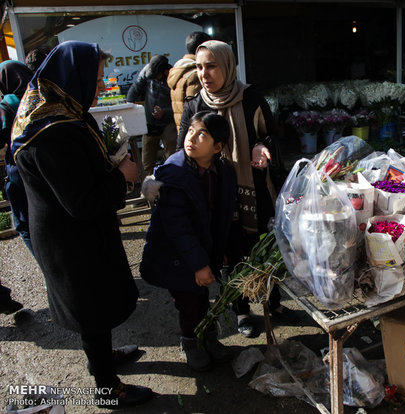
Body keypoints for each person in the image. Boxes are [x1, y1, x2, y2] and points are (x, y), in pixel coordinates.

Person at [12, 41, 153, 408]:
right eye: (95, 78)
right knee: (91, 306)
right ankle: (107, 388)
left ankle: (102, 358)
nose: (99, 87)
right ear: (71, 76)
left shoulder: (57, 109)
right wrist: (122, 176)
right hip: (70, 238)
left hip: (74, 231)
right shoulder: (52, 133)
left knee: (97, 304)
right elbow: (83, 201)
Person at [177, 40, 298, 338]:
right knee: (231, 254)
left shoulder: (252, 98)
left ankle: (274, 302)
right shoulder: (195, 105)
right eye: (199, 67)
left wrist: (261, 146)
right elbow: (184, 149)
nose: (204, 73)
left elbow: (271, 137)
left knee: (264, 249)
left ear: (228, 66)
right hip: (217, 195)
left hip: (255, 190)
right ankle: (241, 309)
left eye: (211, 66)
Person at [140, 111, 236, 371]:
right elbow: (178, 228)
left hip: (200, 249)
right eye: (191, 130)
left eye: (202, 133)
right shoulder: (175, 175)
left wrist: (220, 250)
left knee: (202, 298)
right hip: (176, 255)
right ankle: (190, 342)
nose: (191, 137)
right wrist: (198, 265)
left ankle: (207, 336)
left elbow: (222, 215)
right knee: (190, 301)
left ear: (217, 147)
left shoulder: (222, 171)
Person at [0, 61, 34, 254]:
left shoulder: (7, 104)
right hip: (43, 168)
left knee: (24, 224)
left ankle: (50, 273)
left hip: (19, 171)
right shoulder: (40, 96)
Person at [127, 54, 176, 176]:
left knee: (172, 157)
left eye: (157, 76)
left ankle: (172, 184)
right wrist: (128, 106)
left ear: (165, 71)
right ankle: (146, 189)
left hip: (168, 123)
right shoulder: (147, 72)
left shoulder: (174, 78)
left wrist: (165, 112)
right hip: (149, 123)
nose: (154, 78)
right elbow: (134, 90)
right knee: (146, 161)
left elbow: (181, 104)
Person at [168, 31, 212, 130]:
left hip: (184, 130)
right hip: (197, 132)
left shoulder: (178, 70)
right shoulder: (195, 75)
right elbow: (198, 111)